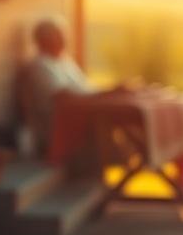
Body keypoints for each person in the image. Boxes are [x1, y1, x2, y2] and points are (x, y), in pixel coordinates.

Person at [20, 14, 115, 158]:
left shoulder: (65, 62)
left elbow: (86, 88)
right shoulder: (40, 65)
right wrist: (105, 94)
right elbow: (62, 96)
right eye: (59, 36)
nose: (65, 40)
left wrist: (111, 91)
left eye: (63, 35)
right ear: (44, 40)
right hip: (61, 124)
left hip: (82, 114)